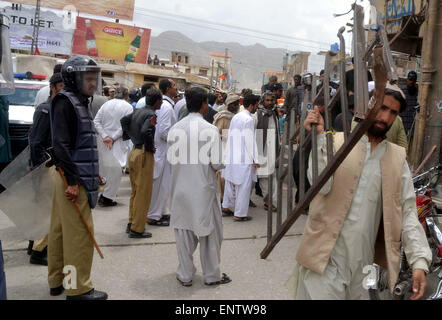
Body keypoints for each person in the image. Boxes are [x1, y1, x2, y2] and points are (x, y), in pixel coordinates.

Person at [286, 85, 432, 300]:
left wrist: (419, 260)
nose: (385, 117)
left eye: (393, 113)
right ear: (368, 105)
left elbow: (408, 212)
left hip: (362, 266)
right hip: (325, 259)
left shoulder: (396, 159)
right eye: (383, 108)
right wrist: (318, 139)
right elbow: (320, 186)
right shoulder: (335, 142)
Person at [48, 55, 108, 300]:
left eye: (95, 78)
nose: (93, 83)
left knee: (60, 231)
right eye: (88, 78)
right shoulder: (68, 102)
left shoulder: (75, 101)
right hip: (71, 180)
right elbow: (60, 145)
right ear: (74, 78)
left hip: (70, 175)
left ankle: (56, 281)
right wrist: (73, 181)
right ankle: (77, 288)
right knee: (78, 239)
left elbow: (78, 144)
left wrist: (92, 171)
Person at [168, 87, 231, 287]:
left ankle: (185, 274)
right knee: (210, 234)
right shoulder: (209, 130)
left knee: (184, 232)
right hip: (204, 189)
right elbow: (218, 163)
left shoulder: (175, 128)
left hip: (180, 188)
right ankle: (212, 275)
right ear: (205, 104)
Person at [27, 73, 63, 266]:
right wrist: (40, 168)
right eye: (61, 86)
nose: (63, 90)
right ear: (53, 87)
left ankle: (34, 245)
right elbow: (36, 143)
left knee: (45, 208)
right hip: (45, 167)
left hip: (54, 166)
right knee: (46, 210)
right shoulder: (46, 110)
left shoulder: (58, 109)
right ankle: (39, 252)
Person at [121, 87, 162, 238]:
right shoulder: (151, 114)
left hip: (134, 151)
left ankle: (131, 222)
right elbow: (146, 131)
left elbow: (124, 120)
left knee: (135, 191)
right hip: (144, 153)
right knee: (143, 193)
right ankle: (137, 228)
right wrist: (150, 147)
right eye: (161, 100)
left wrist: (131, 137)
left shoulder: (137, 110)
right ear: (157, 101)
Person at [94, 86, 134, 207]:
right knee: (116, 171)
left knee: (105, 169)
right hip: (116, 142)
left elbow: (96, 121)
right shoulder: (128, 107)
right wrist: (111, 137)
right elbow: (125, 127)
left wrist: (105, 136)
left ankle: (104, 194)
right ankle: (107, 197)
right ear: (126, 95)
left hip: (104, 142)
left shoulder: (106, 104)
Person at [222, 94, 260, 221]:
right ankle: (239, 214)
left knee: (230, 182)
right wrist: (255, 159)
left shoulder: (236, 117)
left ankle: (226, 208)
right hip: (243, 156)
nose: (257, 107)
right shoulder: (248, 120)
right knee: (243, 186)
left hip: (232, 154)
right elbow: (249, 140)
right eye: (256, 105)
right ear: (251, 105)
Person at [146, 79, 178, 226]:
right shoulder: (166, 107)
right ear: (167, 89)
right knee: (159, 185)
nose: (176, 88)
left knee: (163, 185)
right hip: (162, 150)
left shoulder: (164, 105)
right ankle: (153, 216)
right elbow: (164, 132)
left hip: (159, 150)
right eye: (174, 86)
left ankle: (160, 212)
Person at [253, 91, 280, 212]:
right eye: (267, 100)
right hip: (261, 149)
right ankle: (267, 201)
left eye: (271, 100)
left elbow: (277, 133)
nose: (269, 102)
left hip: (273, 148)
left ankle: (271, 201)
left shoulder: (274, 114)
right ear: (263, 101)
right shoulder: (257, 115)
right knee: (263, 176)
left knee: (273, 175)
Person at [213, 94, 240, 210]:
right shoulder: (222, 116)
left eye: (237, 104)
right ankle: (222, 199)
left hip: (233, 149)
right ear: (228, 105)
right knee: (222, 176)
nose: (236, 106)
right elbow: (216, 132)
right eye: (234, 104)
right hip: (223, 147)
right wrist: (229, 136)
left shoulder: (236, 117)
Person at [399, 71, 419, 136]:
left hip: (412, 122)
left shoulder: (419, 92)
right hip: (402, 121)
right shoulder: (401, 90)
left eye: (413, 80)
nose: (411, 82)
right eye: (410, 79)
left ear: (415, 81)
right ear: (407, 79)